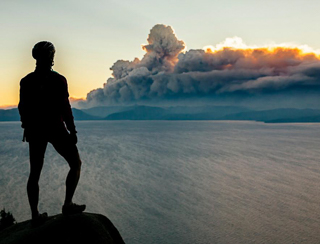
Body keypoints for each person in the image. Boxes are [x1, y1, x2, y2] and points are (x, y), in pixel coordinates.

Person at [18, 41, 86, 225]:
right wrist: (72, 131)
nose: (52, 57)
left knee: (35, 173)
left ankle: (34, 215)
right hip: (56, 128)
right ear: (50, 57)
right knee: (75, 163)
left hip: (35, 131)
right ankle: (67, 204)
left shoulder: (26, 81)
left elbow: (22, 107)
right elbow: (65, 107)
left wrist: (27, 126)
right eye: (52, 54)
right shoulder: (58, 80)